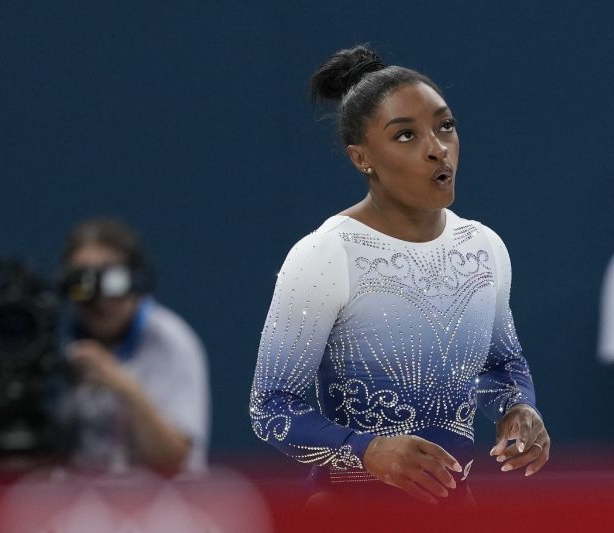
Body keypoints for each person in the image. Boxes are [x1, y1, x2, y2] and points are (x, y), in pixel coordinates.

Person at [249, 45, 550, 504]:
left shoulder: (483, 247)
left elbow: (500, 365)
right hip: (347, 512)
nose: (437, 149)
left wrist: (518, 407)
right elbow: (271, 408)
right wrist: (366, 450)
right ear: (361, 158)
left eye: (445, 126)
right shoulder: (326, 255)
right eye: (406, 135)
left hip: (454, 511)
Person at [57, 217, 209, 475]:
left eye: (112, 280)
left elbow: (174, 461)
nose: (101, 300)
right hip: (84, 498)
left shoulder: (171, 341)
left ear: (136, 281)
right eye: (83, 282)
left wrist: (121, 384)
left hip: (163, 499)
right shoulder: (57, 344)